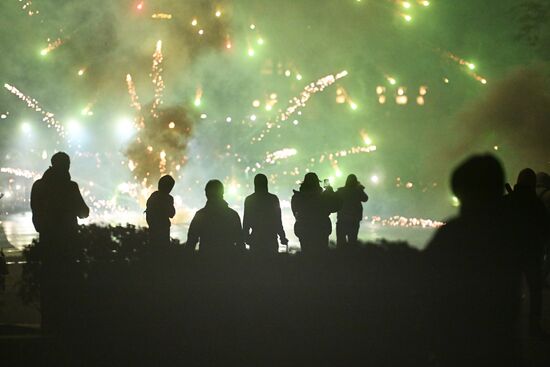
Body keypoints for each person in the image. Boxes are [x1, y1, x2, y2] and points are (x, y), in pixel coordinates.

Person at [425, 154, 522, 366]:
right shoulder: (510, 231)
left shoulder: (452, 234)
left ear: (461, 192)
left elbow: (428, 285)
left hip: (457, 343)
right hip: (499, 342)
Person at [30, 152, 89, 334]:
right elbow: (83, 212)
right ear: (66, 166)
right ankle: (68, 326)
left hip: (47, 240)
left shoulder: (39, 186)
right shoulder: (70, 187)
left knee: (49, 284)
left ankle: (48, 325)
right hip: (68, 242)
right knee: (69, 285)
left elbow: (35, 211)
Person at [505, 168, 549, 337]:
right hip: (531, 253)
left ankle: (505, 325)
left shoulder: (508, 201)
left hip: (510, 253)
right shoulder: (536, 205)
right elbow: (545, 229)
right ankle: (534, 327)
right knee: (535, 290)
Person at [186, 180, 243, 254]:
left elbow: (191, 242)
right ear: (222, 193)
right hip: (228, 260)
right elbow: (240, 242)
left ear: (206, 194)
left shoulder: (200, 215)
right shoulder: (233, 215)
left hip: (206, 260)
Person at [291, 173, 341, 254]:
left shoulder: (297, 197)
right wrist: (330, 192)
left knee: (306, 254)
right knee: (321, 254)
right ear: (317, 183)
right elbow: (336, 206)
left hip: (304, 229)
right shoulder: (323, 196)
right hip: (321, 228)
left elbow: (295, 212)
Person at [243, 174, 288, 254]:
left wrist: (246, 238)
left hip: (255, 238)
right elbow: (278, 221)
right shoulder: (273, 199)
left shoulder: (249, 200)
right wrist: (282, 237)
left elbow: (246, 222)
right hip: (271, 238)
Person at [336, 174, 368, 247]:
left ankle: (339, 257)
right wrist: (360, 188)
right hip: (354, 220)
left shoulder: (341, 191)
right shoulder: (358, 191)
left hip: (342, 220)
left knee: (341, 243)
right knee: (352, 242)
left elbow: (333, 199)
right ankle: (352, 257)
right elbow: (365, 198)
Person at [146, 175, 176, 246]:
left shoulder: (154, 196)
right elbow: (172, 213)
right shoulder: (168, 198)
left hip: (153, 230)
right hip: (162, 230)